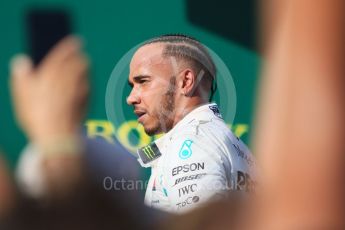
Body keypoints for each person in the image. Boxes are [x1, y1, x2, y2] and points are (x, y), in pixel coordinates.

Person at [127, 34, 256, 214]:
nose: (130, 98)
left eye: (143, 81)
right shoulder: (230, 143)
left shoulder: (191, 142)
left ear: (185, 82)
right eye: (132, 85)